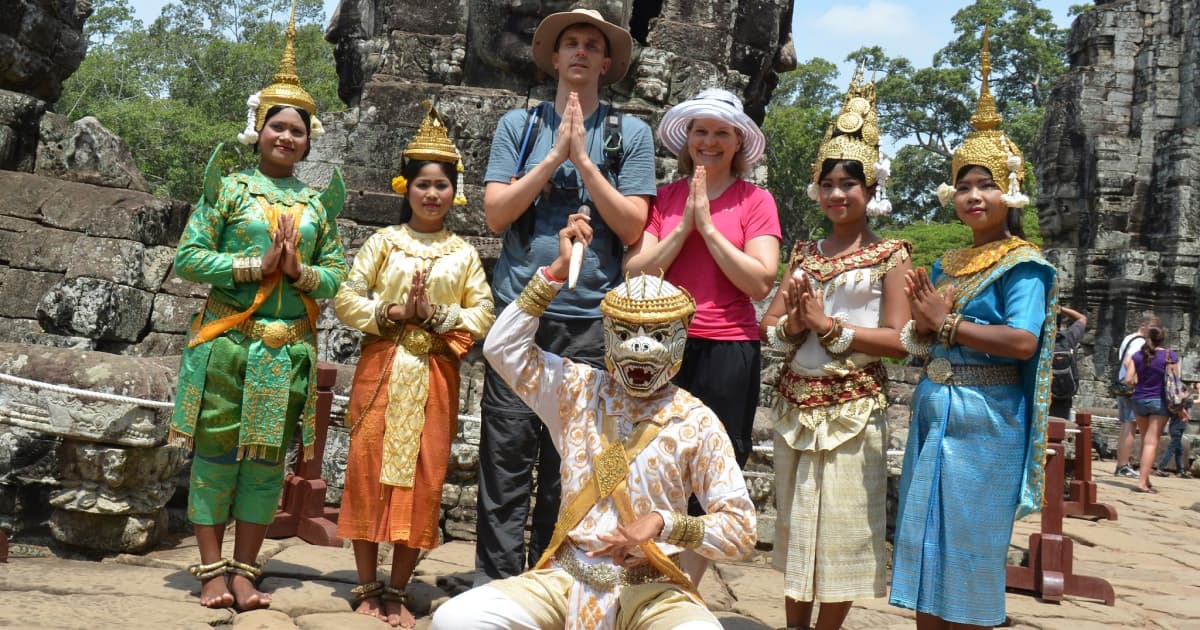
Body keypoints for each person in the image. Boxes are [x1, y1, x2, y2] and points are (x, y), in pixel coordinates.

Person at [430, 214, 756, 630]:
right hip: (567, 575)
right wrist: (554, 273)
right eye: (627, 333)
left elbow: (741, 529)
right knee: (456, 618)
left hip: (651, 586)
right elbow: (502, 348)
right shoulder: (578, 390)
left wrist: (662, 523)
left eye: (657, 335)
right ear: (608, 334)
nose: (641, 347)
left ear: (681, 338)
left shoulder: (696, 420)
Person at [170, 8, 347, 611]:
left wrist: (298, 271)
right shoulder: (227, 189)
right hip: (227, 344)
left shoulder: (317, 207)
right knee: (216, 457)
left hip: (284, 349)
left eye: (298, 130)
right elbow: (189, 258)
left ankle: (247, 572)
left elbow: (337, 276)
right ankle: (210, 573)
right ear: (259, 128)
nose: (287, 138)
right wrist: (254, 267)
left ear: (309, 137)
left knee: (266, 468)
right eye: (278, 127)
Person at [476, 7, 656, 583]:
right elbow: (497, 214)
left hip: (590, 318)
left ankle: (552, 583)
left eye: (591, 45)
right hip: (521, 310)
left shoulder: (629, 134)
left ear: (607, 63)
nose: (580, 52)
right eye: (570, 43)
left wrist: (583, 159)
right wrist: (554, 155)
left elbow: (632, 225)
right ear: (554, 58)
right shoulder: (518, 127)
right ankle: (497, 589)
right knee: (504, 455)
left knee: (570, 463)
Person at [889, 27, 1059, 629]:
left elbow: (1023, 342)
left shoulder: (1026, 263)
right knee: (923, 550)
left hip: (989, 418)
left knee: (968, 554)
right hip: (937, 408)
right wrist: (924, 324)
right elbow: (928, 331)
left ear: (1010, 191)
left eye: (985, 184)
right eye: (963, 185)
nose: (973, 195)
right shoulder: (948, 262)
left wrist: (949, 322)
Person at [332, 102, 495, 627]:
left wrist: (438, 314)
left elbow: (485, 315)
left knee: (423, 480)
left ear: (455, 192)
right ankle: (365, 584)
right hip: (381, 371)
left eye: (441, 185)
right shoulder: (384, 243)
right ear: (406, 186)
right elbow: (345, 299)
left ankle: (398, 588)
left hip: (434, 377)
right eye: (423, 183)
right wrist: (394, 311)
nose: (431, 194)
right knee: (366, 473)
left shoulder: (463, 254)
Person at [759, 72, 910, 630]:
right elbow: (768, 328)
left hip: (853, 409)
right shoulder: (803, 253)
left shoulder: (892, 256)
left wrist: (829, 326)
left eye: (850, 183)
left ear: (872, 189)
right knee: (798, 527)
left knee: (843, 531)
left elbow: (901, 340)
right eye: (828, 184)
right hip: (797, 406)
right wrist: (796, 324)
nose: (838, 194)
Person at [623, 87, 779, 584]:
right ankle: (642, 572)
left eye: (721, 134)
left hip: (728, 343)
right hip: (660, 344)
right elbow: (635, 274)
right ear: (687, 140)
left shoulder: (755, 200)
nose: (709, 143)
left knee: (716, 464)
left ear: (738, 143)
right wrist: (682, 228)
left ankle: (684, 587)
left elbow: (759, 280)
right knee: (647, 457)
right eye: (700, 132)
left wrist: (709, 230)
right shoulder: (666, 198)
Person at [1121, 325, 1179, 493]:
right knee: (1151, 442)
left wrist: (1139, 380)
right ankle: (1141, 483)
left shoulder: (1137, 356)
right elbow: (1175, 381)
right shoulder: (1170, 356)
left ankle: (1145, 478)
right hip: (1159, 401)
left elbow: (1128, 380)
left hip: (1139, 400)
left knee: (1146, 440)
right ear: (1163, 339)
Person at [1114, 314, 1158, 477]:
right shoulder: (1139, 342)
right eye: (1152, 327)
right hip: (1131, 386)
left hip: (1122, 385)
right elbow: (1128, 361)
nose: (1154, 331)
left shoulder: (1129, 338)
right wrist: (1138, 379)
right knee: (1130, 424)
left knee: (1127, 424)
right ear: (1143, 325)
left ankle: (1122, 464)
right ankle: (1123, 465)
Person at [1048, 306, 1088, 421]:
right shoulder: (1067, 337)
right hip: (1063, 394)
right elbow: (1082, 318)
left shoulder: (1036, 338)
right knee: (1061, 427)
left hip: (1041, 394)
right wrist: (1060, 308)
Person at [1154, 382, 1194, 478]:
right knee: (1172, 449)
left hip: (1174, 427)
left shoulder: (1176, 402)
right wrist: (1194, 390)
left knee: (1179, 450)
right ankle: (1160, 467)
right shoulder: (1184, 402)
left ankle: (1180, 470)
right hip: (1177, 428)